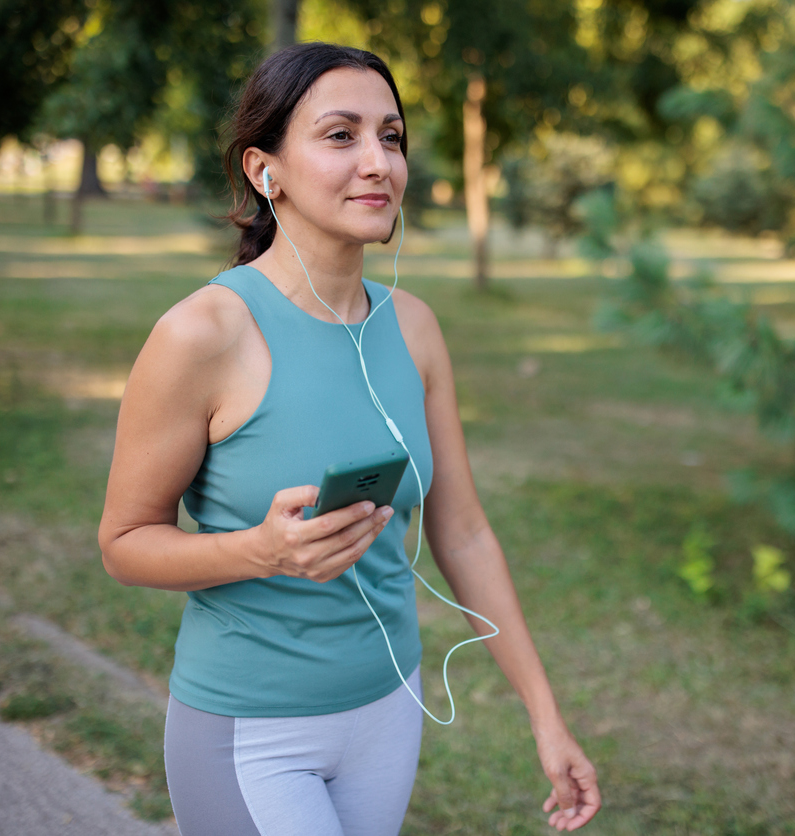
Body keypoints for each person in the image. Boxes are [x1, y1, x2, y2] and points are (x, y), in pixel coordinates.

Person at [97, 42, 601, 836]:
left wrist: (546, 716)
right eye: (341, 136)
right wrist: (259, 551)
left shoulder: (416, 329)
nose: (377, 162)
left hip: (389, 712)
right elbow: (124, 543)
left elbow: (462, 532)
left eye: (391, 137)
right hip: (253, 733)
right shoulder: (203, 333)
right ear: (267, 170)